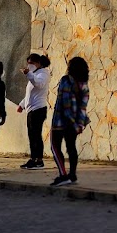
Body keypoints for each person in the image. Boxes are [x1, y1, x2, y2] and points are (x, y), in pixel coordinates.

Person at [50, 57, 90, 187]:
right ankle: (72, 174)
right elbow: (83, 107)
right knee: (71, 147)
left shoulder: (66, 81)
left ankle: (63, 175)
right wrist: (78, 124)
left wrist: (71, 121)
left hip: (60, 121)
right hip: (74, 124)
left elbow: (66, 103)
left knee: (55, 147)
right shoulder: (84, 85)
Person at [17, 53, 51, 170]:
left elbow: (39, 84)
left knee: (36, 134)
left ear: (39, 63)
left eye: (32, 63)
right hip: (31, 109)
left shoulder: (43, 74)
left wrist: (29, 74)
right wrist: (22, 104)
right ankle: (33, 158)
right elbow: (30, 93)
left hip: (38, 109)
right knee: (32, 135)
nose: (29, 65)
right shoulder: (34, 74)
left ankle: (39, 160)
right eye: (28, 63)